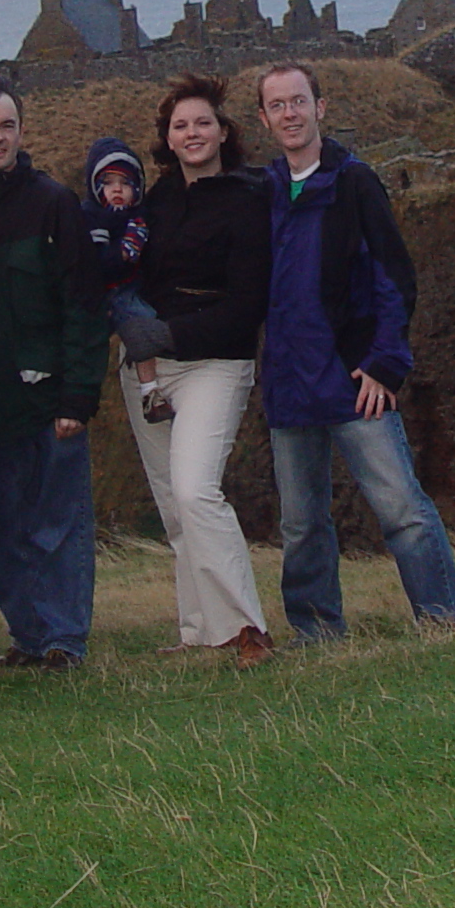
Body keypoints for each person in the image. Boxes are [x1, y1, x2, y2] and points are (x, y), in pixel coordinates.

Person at [254, 63, 455, 640]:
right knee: (301, 524)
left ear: (320, 107)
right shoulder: (267, 191)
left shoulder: (355, 182)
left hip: (352, 378)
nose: (290, 114)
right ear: (264, 119)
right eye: (277, 106)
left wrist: (384, 364)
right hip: (289, 384)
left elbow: (394, 278)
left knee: (401, 508)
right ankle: (318, 631)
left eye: (299, 101)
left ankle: (447, 619)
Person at [0, 75, 109, 672]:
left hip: (47, 398)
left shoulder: (53, 203)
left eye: (7, 126)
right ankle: (30, 635)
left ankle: (64, 639)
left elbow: (85, 305)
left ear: (21, 130)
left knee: (58, 525)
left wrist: (78, 395)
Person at [112, 75, 275, 664]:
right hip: (149, 367)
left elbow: (246, 307)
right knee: (172, 504)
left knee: (195, 489)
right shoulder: (155, 201)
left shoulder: (248, 198)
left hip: (215, 362)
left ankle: (245, 629)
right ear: (168, 139)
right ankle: (198, 631)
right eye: (180, 125)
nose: (192, 133)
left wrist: (173, 332)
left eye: (202, 122)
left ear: (224, 131)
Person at [82, 140, 172, 423]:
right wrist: (121, 255)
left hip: (130, 288)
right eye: (108, 182)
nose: (117, 189)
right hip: (102, 291)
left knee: (141, 326)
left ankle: (150, 391)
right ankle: (82, 391)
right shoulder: (92, 217)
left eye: (125, 182)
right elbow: (97, 262)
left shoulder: (140, 217)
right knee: (90, 338)